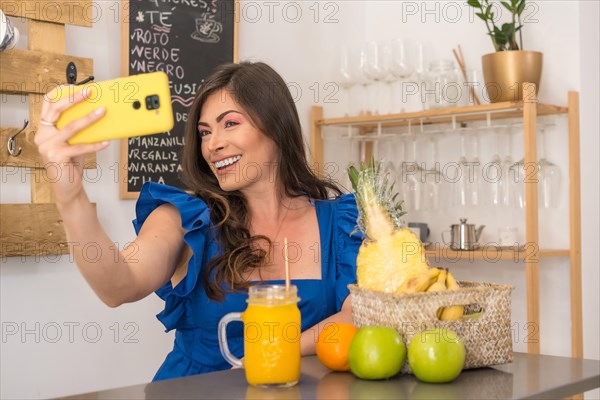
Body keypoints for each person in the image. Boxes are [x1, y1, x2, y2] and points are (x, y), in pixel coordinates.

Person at [34, 62, 362, 381]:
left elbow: (357, 315)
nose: (212, 144)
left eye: (230, 124)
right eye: (205, 132)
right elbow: (118, 285)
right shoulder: (187, 216)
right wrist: (71, 195)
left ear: (276, 126)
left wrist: (275, 350)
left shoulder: (341, 224)